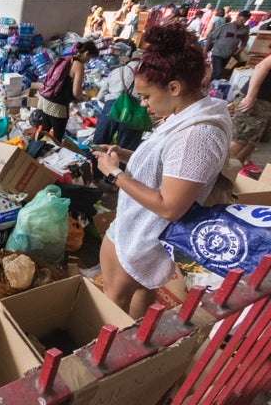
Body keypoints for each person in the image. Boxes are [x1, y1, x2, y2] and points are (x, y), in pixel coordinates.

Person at [93, 23, 231, 319]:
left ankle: (107, 358)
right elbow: (168, 165)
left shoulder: (197, 136)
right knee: (142, 291)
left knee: (113, 302)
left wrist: (116, 174)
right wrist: (125, 155)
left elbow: (170, 207)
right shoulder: (184, 115)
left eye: (147, 96)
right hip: (142, 230)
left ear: (174, 88)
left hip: (146, 235)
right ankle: (135, 342)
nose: (143, 105)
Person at [37, 41, 99, 140]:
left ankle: (34, 151)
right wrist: (83, 98)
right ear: (87, 53)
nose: (88, 60)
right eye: (90, 57)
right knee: (58, 136)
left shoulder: (66, 58)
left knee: (45, 128)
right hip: (57, 104)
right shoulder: (78, 66)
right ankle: (56, 153)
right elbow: (76, 92)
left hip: (46, 97)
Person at [228, 54, 271, 176]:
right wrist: (251, 96)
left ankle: (235, 169)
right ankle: (215, 171)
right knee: (240, 139)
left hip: (267, 103)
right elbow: (261, 67)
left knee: (253, 140)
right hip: (257, 100)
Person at [93, 59, 145, 151]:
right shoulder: (146, 75)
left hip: (112, 106)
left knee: (99, 143)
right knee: (126, 147)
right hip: (133, 110)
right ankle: (118, 165)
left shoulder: (116, 71)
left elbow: (100, 96)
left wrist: (110, 102)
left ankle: (94, 164)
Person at [205, 9, 251, 81]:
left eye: (245, 20)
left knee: (220, 72)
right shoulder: (225, 27)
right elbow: (211, 37)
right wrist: (205, 50)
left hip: (228, 55)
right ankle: (210, 86)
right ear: (238, 17)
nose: (243, 22)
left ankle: (212, 86)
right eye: (242, 19)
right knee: (218, 71)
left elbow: (244, 42)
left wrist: (239, 51)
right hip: (218, 53)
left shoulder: (244, 30)